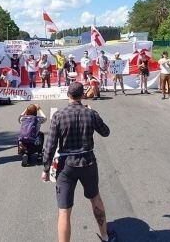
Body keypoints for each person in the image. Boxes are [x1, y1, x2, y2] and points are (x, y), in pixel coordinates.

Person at [41, 82, 117, 242]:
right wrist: (93, 114)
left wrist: (46, 169)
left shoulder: (59, 115)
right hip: (88, 161)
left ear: (68, 95)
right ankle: (105, 236)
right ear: (83, 95)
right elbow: (106, 132)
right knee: (95, 198)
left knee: (64, 210)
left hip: (66, 164)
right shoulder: (90, 113)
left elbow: (50, 145)